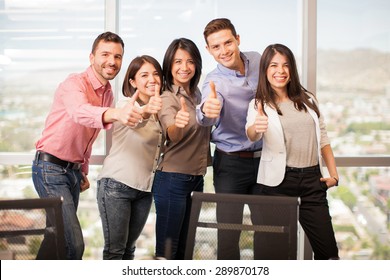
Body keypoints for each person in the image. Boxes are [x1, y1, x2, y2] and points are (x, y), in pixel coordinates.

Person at [32, 32, 144, 260]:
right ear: (91, 57)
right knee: (73, 245)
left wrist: (82, 169)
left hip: (70, 172)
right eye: (105, 54)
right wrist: (116, 114)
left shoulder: (107, 92)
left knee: (55, 239)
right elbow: (79, 112)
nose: (112, 61)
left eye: (117, 56)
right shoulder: (74, 83)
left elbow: (89, 134)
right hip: (49, 169)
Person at [245, 43, 339, 260]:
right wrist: (256, 127)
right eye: (274, 65)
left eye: (286, 65)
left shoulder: (308, 100)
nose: (281, 71)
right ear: (265, 70)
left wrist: (334, 175)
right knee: (276, 255)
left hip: (312, 182)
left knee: (329, 254)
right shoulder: (259, 104)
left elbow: (323, 139)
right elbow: (251, 134)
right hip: (277, 184)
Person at [196, 18, 262, 259]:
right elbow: (205, 111)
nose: (223, 51)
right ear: (209, 50)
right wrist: (206, 110)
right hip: (231, 164)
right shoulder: (213, 81)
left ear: (238, 40)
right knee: (228, 234)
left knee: (268, 232)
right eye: (216, 47)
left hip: (265, 161)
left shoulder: (257, 60)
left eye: (227, 43)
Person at [96, 55, 164, 260]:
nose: (152, 79)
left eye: (155, 74)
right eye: (144, 75)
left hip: (144, 190)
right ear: (133, 82)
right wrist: (145, 112)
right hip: (117, 187)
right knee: (115, 252)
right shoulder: (126, 105)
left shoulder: (160, 109)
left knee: (129, 250)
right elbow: (134, 118)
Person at [152, 38, 211, 260]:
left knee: (186, 251)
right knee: (167, 252)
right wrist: (178, 123)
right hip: (172, 180)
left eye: (189, 61)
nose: (184, 67)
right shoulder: (168, 97)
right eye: (178, 61)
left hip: (196, 178)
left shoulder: (198, 95)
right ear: (169, 65)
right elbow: (172, 133)